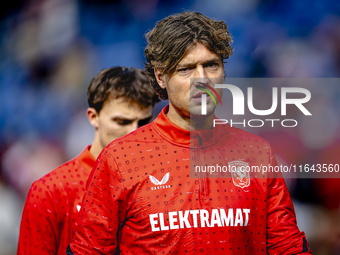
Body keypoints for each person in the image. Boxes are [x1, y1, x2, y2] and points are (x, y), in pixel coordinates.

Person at [68, 12, 312, 254]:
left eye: (211, 65)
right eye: (186, 69)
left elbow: (287, 247)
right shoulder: (120, 159)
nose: (202, 79)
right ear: (161, 77)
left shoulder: (256, 153)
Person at [17, 66, 160, 255]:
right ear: (93, 117)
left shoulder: (161, 184)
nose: (133, 133)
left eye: (143, 123)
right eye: (121, 122)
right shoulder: (50, 192)